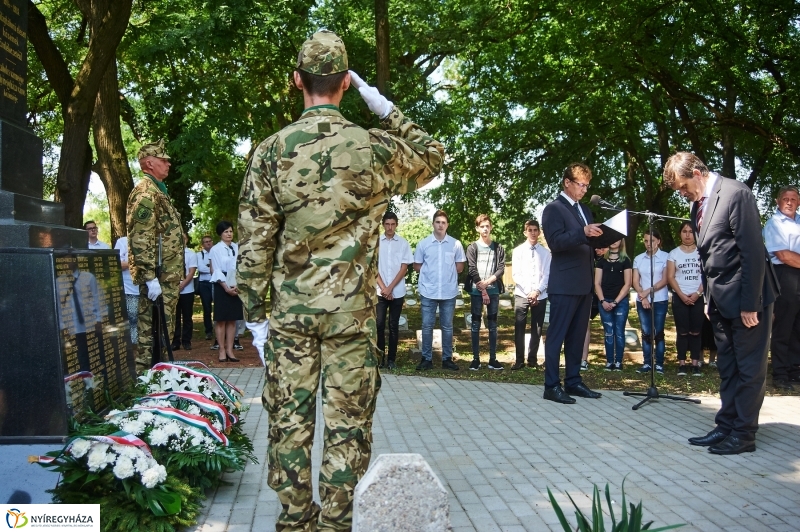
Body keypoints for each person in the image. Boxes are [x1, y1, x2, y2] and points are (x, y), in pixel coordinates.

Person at [236, 30, 443, 531]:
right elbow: (433, 155)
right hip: (351, 315)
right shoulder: (372, 147)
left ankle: (294, 520)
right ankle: (335, 524)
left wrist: (255, 315)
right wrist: (383, 106)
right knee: (347, 426)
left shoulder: (271, 151)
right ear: (347, 84)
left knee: (289, 422)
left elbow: (254, 243)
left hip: (292, 316)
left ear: (296, 81)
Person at [663, 152, 778, 455]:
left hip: (747, 299)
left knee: (748, 368)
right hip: (719, 300)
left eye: (683, 186)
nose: (682, 193)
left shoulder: (736, 194)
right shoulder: (698, 204)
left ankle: (744, 434)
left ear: (698, 173)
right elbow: (707, 256)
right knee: (727, 366)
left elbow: (752, 252)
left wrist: (750, 303)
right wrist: (708, 299)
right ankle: (726, 424)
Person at [540, 163, 603, 403]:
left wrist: (597, 249)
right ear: (567, 182)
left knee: (577, 337)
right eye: (581, 184)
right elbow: (556, 242)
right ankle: (551, 385)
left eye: (587, 185)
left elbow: (584, 241)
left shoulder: (585, 210)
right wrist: (583, 233)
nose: (584, 190)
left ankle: (574, 381)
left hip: (584, 283)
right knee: (557, 336)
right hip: (565, 283)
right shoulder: (554, 209)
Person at [127, 139, 184, 369]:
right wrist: (150, 277)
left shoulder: (158, 191)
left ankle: (159, 378)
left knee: (163, 333)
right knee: (150, 334)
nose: (168, 164)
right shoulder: (146, 193)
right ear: (149, 163)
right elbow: (141, 236)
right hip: (158, 277)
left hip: (167, 276)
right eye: (163, 160)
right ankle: (144, 385)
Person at [414, 210, 466, 371]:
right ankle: (426, 359)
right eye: (438, 222)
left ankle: (447, 359)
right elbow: (417, 266)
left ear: (447, 225)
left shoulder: (455, 244)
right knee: (427, 325)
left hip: (448, 291)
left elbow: (459, 267)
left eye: (443, 222)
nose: (440, 225)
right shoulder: (423, 244)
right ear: (433, 224)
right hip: (428, 290)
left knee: (447, 327)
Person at [763, 185, 800, 391]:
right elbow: (783, 255)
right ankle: (780, 373)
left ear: (799, 202)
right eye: (785, 198)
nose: (789, 202)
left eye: (793, 199)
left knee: (798, 327)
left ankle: (795, 370)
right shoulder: (774, 223)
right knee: (783, 327)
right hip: (785, 275)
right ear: (778, 202)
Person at [465, 214, 505, 370]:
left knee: (493, 326)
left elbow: (501, 268)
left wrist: (488, 283)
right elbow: (472, 269)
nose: (485, 229)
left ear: (491, 227)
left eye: (487, 226)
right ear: (477, 228)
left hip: (493, 291)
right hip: (476, 292)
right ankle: (476, 359)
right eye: (482, 226)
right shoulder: (472, 247)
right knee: (475, 326)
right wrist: (483, 290)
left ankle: (492, 359)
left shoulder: (498, 247)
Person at [511, 220, 550, 371]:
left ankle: (532, 359)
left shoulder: (545, 253)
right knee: (519, 326)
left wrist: (537, 291)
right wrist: (529, 291)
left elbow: (547, 274)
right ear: (525, 232)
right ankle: (519, 360)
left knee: (537, 328)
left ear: (539, 232)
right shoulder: (518, 251)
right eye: (530, 230)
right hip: (522, 294)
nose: (533, 233)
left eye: (535, 230)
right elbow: (516, 274)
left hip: (540, 294)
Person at [376, 212, 413, 370]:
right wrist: (384, 288)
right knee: (379, 325)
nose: (390, 227)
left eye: (392, 224)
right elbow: (373, 268)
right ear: (383, 224)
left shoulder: (403, 243)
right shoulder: (376, 243)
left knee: (393, 326)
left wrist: (390, 288)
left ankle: (392, 359)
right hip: (380, 291)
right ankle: (380, 359)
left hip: (397, 291)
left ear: (396, 225)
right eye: (387, 224)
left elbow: (404, 268)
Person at [667, 222, 704, 376]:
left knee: (696, 331)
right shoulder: (674, 253)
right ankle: (682, 363)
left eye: (690, 231)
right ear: (680, 233)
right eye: (684, 231)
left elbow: (706, 275)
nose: (687, 235)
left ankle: (695, 364)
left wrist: (697, 293)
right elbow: (670, 276)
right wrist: (681, 295)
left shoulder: (701, 253)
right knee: (682, 332)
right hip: (680, 297)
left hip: (697, 296)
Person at [632, 228, 670, 375]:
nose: (649, 244)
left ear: (658, 241)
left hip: (660, 299)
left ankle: (659, 363)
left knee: (658, 332)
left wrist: (648, 292)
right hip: (643, 300)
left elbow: (665, 279)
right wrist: (643, 297)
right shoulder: (638, 258)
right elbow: (635, 281)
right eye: (646, 240)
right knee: (646, 332)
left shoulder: (666, 257)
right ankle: (647, 362)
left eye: (652, 241)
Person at [593, 239, 632, 371]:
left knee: (619, 332)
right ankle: (609, 362)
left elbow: (628, 284)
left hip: (620, 302)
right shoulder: (601, 261)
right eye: (612, 238)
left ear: (622, 241)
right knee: (608, 332)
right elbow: (597, 283)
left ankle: (618, 362)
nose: (614, 241)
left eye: (617, 239)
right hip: (604, 301)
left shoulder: (625, 261)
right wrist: (603, 301)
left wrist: (615, 302)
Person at [209, 221, 242, 363]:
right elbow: (216, 270)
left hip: (235, 283)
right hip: (221, 284)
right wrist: (226, 288)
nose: (229, 234)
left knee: (232, 319)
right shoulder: (216, 249)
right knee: (221, 319)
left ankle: (230, 350)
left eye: (230, 231)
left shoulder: (236, 247)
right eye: (226, 232)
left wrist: (236, 285)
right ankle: (221, 349)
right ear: (220, 234)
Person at [581, 245, 608, 370]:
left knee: (585, 325)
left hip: (588, 290)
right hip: (572, 286)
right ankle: (573, 358)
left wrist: (599, 253)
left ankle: (583, 359)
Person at [172, 234, 198, 351]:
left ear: (187, 240)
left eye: (184, 239)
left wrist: (183, 284)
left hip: (187, 290)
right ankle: (175, 341)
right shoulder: (171, 253)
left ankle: (186, 341)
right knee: (175, 317)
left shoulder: (191, 254)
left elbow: (192, 272)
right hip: (174, 289)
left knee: (187, 317)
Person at [114, 235, 139, 344]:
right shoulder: (122, 241)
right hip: (129, 290)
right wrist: (135, 263)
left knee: (145, 322)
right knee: (131, 321)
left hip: (146, 290)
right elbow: (116, 262)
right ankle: (132, 348)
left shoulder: (150, 239)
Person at [196, 235, 215, 340]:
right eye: (206, 242)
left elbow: (220, 266)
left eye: (209, 241)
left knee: (219, 307)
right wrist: (212, 269)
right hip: (204, 284)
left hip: (216, 282)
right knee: (207, 308)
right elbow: (200, 268)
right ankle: (208, 331)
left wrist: (208, 266)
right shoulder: (199, 254)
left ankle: (220, 331)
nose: (208, 243)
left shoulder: (217, 252)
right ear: (202, 244)